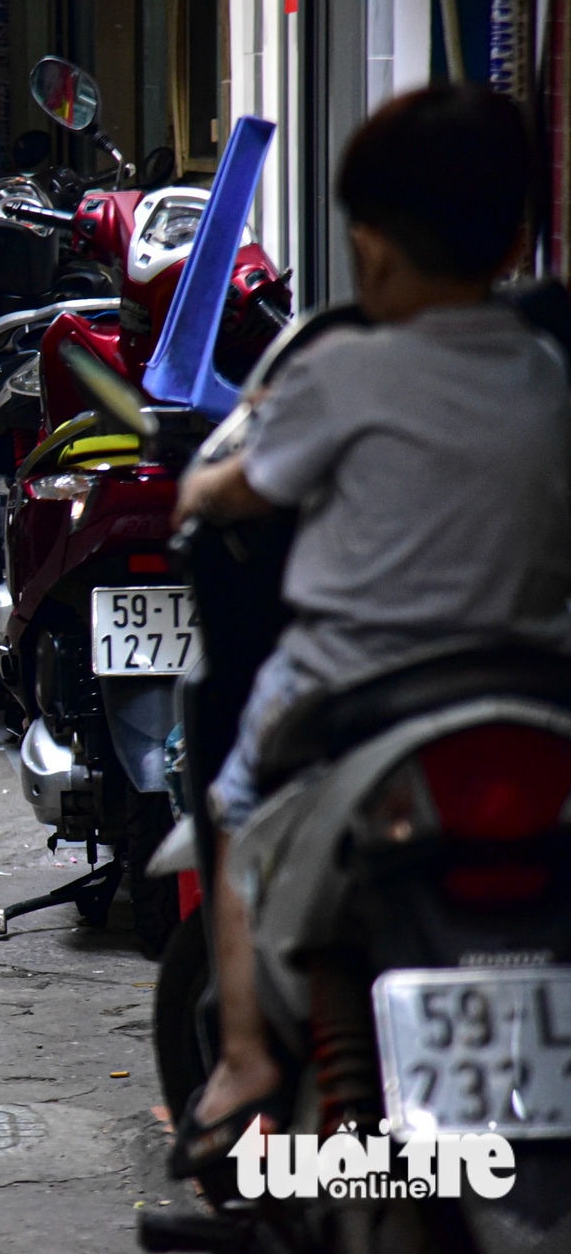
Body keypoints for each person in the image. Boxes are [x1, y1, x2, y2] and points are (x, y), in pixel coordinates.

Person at [168, 84, 571, 1174]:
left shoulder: (343, 368)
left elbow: (253, 485)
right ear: (514, 240)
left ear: (370, 251)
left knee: (237, 802)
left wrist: (198, 496)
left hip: (348, 690)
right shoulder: (543, 369)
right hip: (530, 692)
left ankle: (246, 1054)